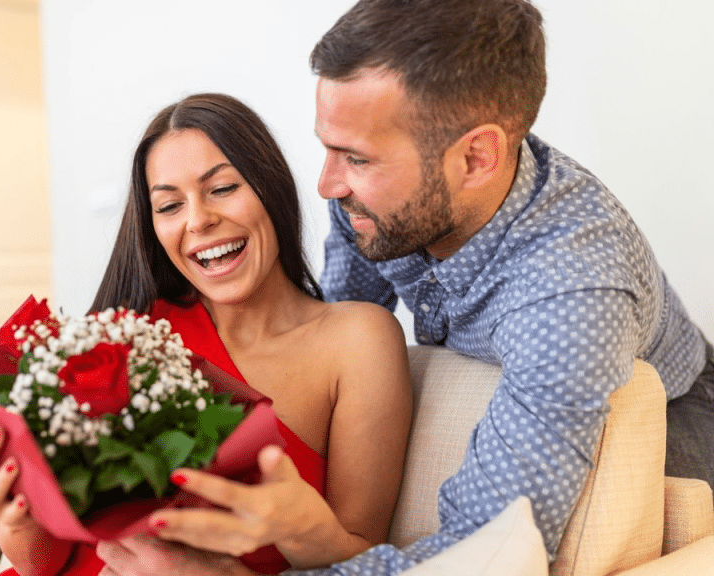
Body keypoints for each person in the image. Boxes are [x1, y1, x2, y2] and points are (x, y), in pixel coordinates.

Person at [94, 0, 714, 575]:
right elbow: (341, 331)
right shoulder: (371, 194)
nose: (326, 185)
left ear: (477, 159)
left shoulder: (570, 298)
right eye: (329, 149)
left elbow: (481, 554)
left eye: (357, 159)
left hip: (681, 409)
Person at [0, 93, 412, 575]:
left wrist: (296, 527)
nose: (197, 219)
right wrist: (15, 513)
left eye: (222, 188)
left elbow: (362, 560)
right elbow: (46, 561)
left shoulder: (358, 340)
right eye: (168, 205)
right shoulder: (123, 338)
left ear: (271, 187)